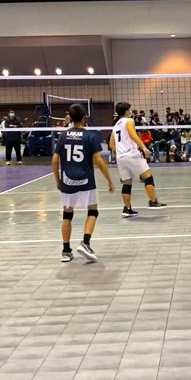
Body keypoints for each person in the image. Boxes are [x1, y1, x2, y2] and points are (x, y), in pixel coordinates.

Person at [53, 104, 115, 263]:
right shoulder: (90, 136)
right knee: (93, 212)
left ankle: (66, 250)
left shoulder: (63, 135)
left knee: (67, 214)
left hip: (67, 181)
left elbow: (54, 160)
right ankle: (85, 242)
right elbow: (99, 161)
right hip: (86, 181)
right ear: (84, 118)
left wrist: (58, 181)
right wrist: (109, 180)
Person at [109, 102, 166, 218]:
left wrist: (120, 152)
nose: (131, 111)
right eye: (129, 109)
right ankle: (153, 201)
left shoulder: (115, 126)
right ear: (126, 111)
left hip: (121, 158)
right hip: (132, 155)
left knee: (127, 183)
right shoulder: (129, 121)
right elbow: (133, 135)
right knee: (148, 177)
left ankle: (127, 208)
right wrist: (143, 147)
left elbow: (111, 144)